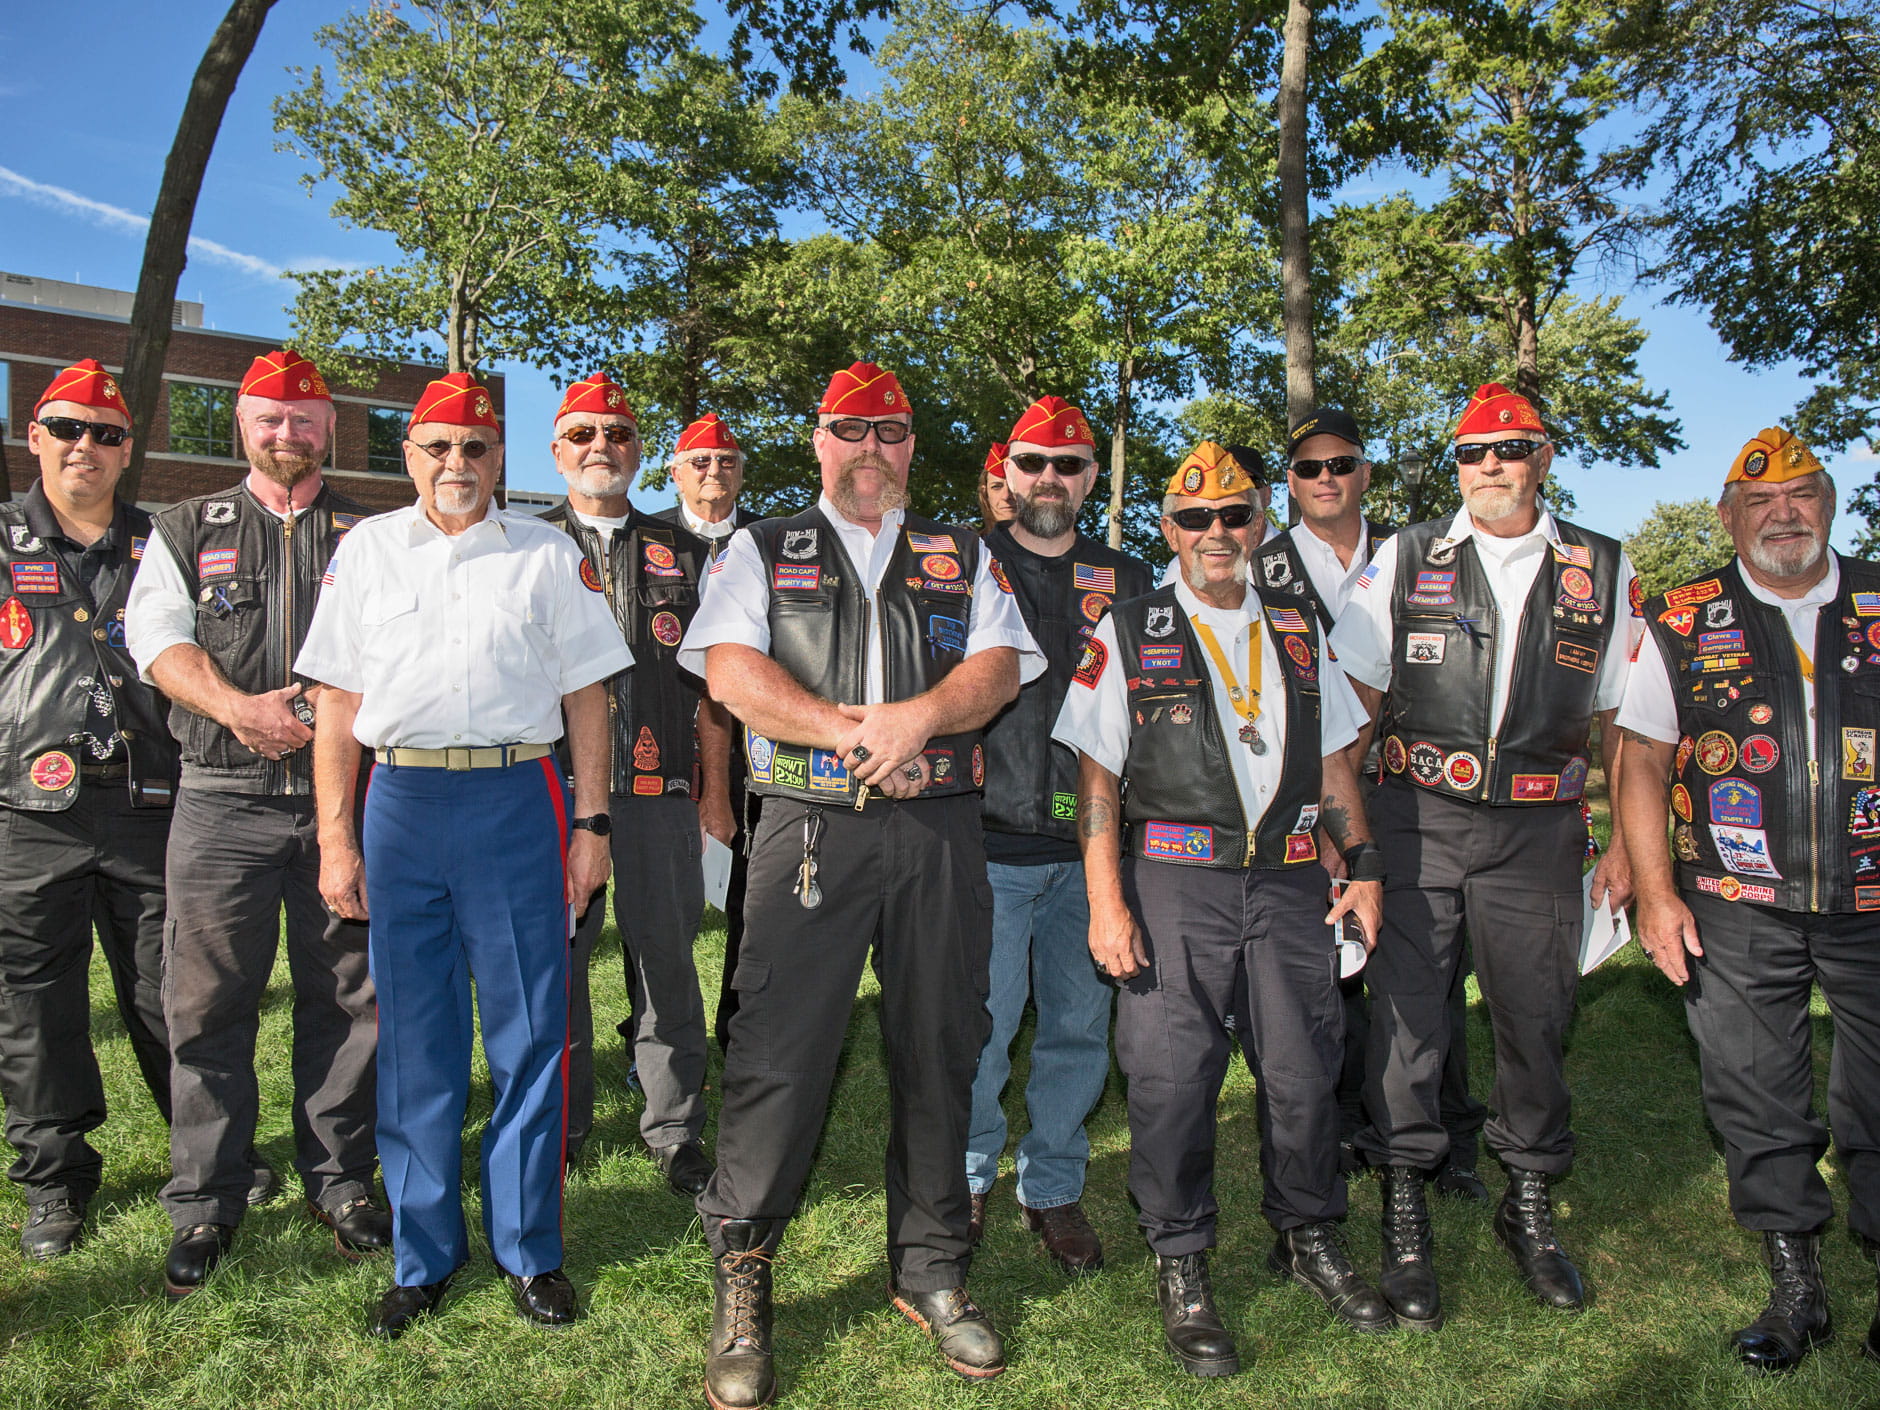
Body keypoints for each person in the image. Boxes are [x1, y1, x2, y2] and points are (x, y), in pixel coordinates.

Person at [678, 361, 1040, 1408]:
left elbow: (999, 669)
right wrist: (850, 729)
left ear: (910, 447)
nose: (868, 449)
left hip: (934, 829)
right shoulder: (763, 546)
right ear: (818, 441)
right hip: (807, 824)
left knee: (939, 1040)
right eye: (849, 431)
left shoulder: (960, 552)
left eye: (889, 432)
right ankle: (744, 1271)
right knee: (777, 1052)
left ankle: (930, 1266)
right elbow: (729, 671)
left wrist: (919, 717)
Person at [296, 371, 629, 1338]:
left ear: (500, 460)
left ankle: (529, 1251)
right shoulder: (365, 553)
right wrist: (335, 838)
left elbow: (588, 699)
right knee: (415, 1036)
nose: (457, 464)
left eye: (476, 448)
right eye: (437, 447)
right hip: (398, 799)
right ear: (409, 456)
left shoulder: (545, 552)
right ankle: (423, 1255)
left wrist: (592, 824)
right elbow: (338, 707)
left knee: (530, 1033)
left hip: (517, 796)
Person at [1055, 440, 1391, 1377]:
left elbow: (1331, 762)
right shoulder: (1128, 627)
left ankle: (1310, 1234)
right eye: (1195, 518)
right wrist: (1106, 904)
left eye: (1235, 516)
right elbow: (1096, 781)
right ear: (1168, 528)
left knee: (1304, 1068)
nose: (1216, 533)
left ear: (1257, 526)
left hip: (1287, 880)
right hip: (1174, 876)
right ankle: (1183, 1259)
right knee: (1170, 1077)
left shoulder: (1297, 626)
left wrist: (1359, 862)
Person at [1330, 382, 1641, 1327]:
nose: (1491, 465)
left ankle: (1529, 1201)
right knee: (1407, 1022)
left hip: (1540, 831)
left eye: (1512, 447)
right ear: (1456, 464)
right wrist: (1351, 844)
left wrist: (1628, 843)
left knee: (1535, 1016)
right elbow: (1349, 708)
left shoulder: (1603, 565)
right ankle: (1407, 1204)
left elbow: (1625, 722)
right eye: (1473, 452)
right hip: (1416, 817)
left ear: (1545, 456)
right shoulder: (1403, 557)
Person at [1617, 428, 1880, 1374]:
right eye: (1761, 502)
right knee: (1754, 1092)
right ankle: (1795, 1284)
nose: (1785, 514)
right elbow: (1642, 759)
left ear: (1830, 505)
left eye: (1803, 495)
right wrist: (1655, 894)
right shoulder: (1684, 619)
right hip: (1735, 897)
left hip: (1874, 896)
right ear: (1730, 517)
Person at [125, 349, 385, 1297]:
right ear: (242, 423)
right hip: (221, 801)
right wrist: (240, 708)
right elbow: (155, 638)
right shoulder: (186, 527)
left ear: (332, 428)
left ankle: (341, 1178)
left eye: (305, 418)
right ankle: (206, 1196)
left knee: (351, 998)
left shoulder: (375, 530)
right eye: (270, 417)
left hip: (345, 806)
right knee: (206, 1001)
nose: (289, 433)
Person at [1262, 407, 1488, 1199]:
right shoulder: (1256, 564)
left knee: (1422, 961)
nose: (1325, 478)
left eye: (1341, 464)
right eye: (1307, 468)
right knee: (1318, 966)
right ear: (1288, 483)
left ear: (1365, 473)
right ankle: (1351, 1119)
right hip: (1300, 791)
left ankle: (1449, 1132)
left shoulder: (1420, 557)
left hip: (1409, 785)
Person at [965, 397, 1152, 1273]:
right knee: (983, 1026)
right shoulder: (958, 562)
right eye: (1033, 462)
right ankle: (965, 1177)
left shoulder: (1134, 578)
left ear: (1090, 478)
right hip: (984, 842)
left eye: (1069, 464)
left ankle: (1054, 1186)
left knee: (1080, 1025)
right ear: (1005, 471)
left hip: (1092, 850)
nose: (1050, 478)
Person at [0, 359, 177, 1259]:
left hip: (150, 799)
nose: (85, 446)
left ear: (127, 449)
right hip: (28, 810)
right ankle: (55, 1179)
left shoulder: (166, 542)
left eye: (105, 434)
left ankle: (204, 1152)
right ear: (34, 437)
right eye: (67, 428)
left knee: (171, 993)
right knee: (36, 1003)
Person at [540, 375, 720, 1187]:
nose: (600, 447)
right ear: (558, 451)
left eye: (615, 433)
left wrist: (715, 791)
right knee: (557, 962)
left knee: (667, 962)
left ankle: (675, 1126)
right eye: (583, 434)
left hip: (661, 791)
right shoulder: (523, 544)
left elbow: (720, 685)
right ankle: (564, 1122)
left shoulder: (688, 553)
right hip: (545, 788)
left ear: (641, 451)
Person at [653, 412, 762, 1051]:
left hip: (750, 750)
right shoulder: (650, 538)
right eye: (699, 462)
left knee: (750, 901)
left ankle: (735, 1026)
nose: (713, 472)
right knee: (660, 908)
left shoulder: (771, 541)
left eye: (725, 461)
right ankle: (656, 1031)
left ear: (742, 472)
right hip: (662, 741)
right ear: (675, 472)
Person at [977, 442, 1016, 530]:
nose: (1006, 496)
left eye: (1014, 486)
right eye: (996, 487)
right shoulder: (969, 543)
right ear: (985, 494)